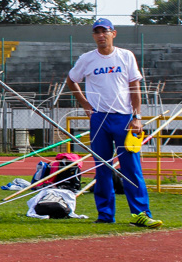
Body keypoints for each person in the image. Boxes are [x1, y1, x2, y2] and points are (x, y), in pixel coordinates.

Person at [65, 18, 160, 228]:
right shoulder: (87, 59)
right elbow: (71, 80)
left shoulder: (125, 56)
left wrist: (137, 117)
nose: (101, 35)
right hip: (99, 118)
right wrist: (85, 105)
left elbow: (135, 87)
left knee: (131, 168)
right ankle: (106, 214)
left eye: (104, 31)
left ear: (113, 34)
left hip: (124, 118)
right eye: (97, 32)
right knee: (102, 167)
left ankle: (141, 213)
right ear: (93, 36)